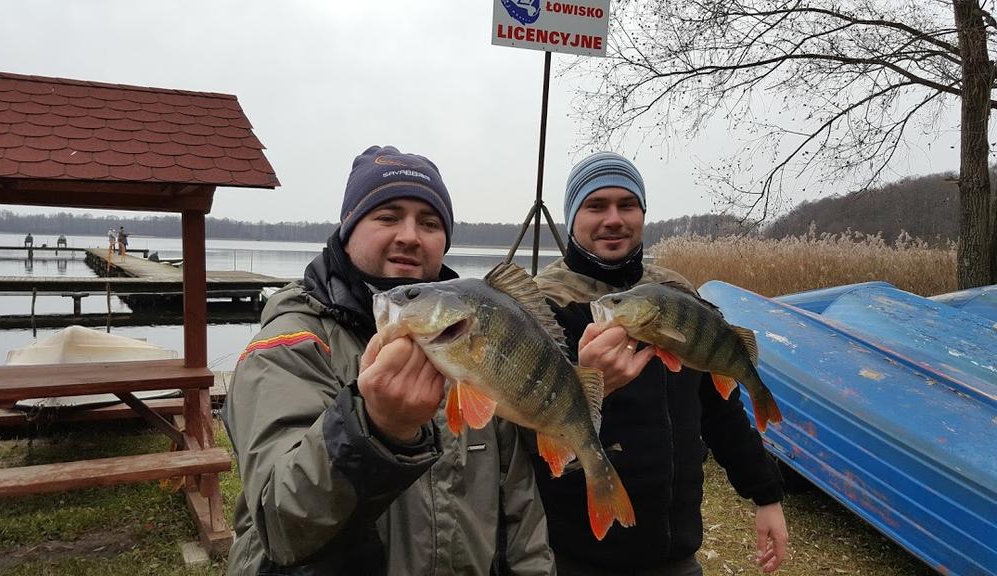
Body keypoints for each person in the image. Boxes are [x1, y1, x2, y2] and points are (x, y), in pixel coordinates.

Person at [223, 145, 554, 576]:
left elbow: (521, 514)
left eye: (430, 223)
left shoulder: (477, 341)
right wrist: (373, 427)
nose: (410, 235)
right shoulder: (290, 344)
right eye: (388, 215)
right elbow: (282, 525)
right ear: (348, 226)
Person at [532, 152, 788, 576]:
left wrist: (766, 495)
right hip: (574, 556)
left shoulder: (677, 295)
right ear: (571, 218)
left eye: (626, 205)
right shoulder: (544, 308)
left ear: (642, 214)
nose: (613, 218)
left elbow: (720, 411)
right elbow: (527, 440)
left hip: (675, 555)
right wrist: (592, 385)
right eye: (596, 206)